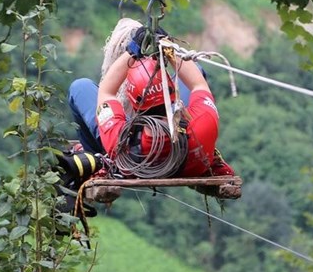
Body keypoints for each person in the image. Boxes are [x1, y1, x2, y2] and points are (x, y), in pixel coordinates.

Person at [65, 19, 233, 180]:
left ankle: (97, 156)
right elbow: (198, 84)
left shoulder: (121, 143)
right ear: (172, 93)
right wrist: (168, 47)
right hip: (190, 158)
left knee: (80, 87)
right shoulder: (203, 125)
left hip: (136, 163)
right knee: (195, 69)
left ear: (133, 104)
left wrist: (133, 50)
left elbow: (107, 91)